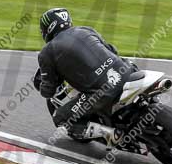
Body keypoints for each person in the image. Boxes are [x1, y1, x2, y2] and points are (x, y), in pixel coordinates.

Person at [33, 8, 138, 138]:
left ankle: (111, 134)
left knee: (60, 118)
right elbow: (112, 49)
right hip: (127, 71)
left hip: (100, 92)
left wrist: (44, 88)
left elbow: (48, 91)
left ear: (49, 28)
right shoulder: (86, 29)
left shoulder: (47, 52)